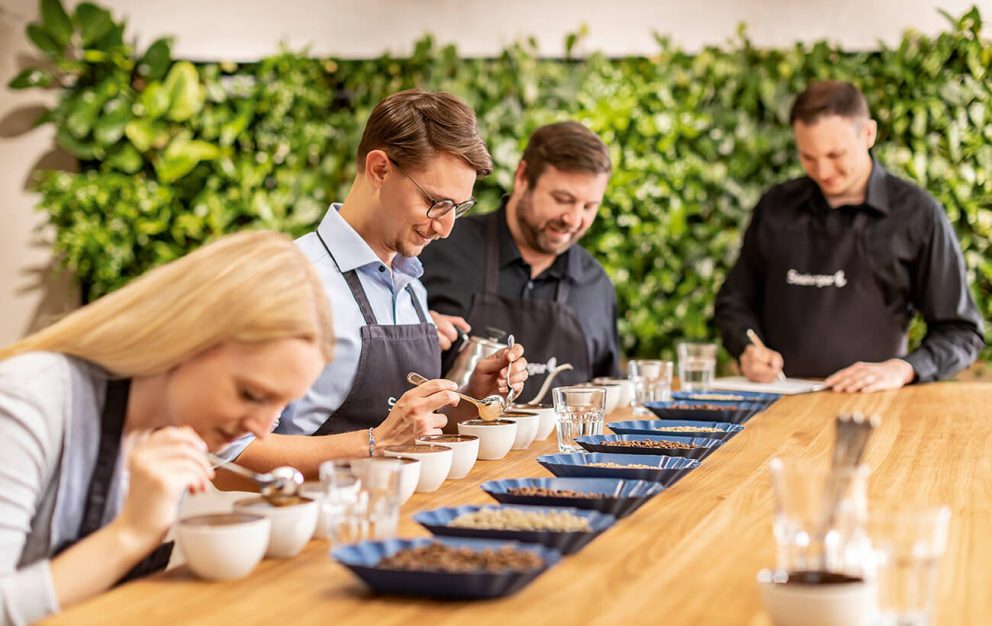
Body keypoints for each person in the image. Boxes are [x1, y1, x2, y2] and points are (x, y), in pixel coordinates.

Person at [0, 231, 334, 624]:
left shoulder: (177, 427)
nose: (261, 431)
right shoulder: (28, 400)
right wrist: (132, 533)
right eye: (250, 394)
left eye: (278, 406)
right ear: (188, 338)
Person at [222, 90, 527, 480]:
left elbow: (409, 436)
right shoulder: (290, 283)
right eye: (436, 202)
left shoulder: (411, 284)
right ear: (380, 169)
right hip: (310, 528)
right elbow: (228, 455)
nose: (446, 228)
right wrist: (375, 444)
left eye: (458, 208)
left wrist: (472, 401)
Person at [714, 80, 985, 392]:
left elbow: (962, 331)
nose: (823, 170)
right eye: (808, 157)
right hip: (777, 403)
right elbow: (733, 302)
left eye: (835, 154)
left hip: (874, 407)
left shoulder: (917, 214)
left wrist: (905, 368)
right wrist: (747, 347)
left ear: (868, 134)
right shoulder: (776, 206)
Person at [420, 121, 620, 396]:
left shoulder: (596, 286)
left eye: (589, 206)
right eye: (562, 199)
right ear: (523, 177)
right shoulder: (439, 247)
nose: (573, 219)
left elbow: (608, 399)